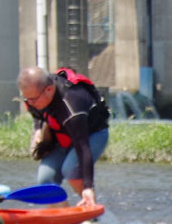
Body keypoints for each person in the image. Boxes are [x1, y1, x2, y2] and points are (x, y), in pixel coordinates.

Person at [17, 66, 109, 209]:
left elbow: (83, 147)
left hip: (92, 135)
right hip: (63, 136)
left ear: (49, 89)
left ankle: (91, 210)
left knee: (71, 170)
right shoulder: (33, 98)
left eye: (33, 99)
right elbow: (37, 114)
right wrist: (37, 131)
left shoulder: (71, 105)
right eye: (26, 99)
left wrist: (88, 187)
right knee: (45, 179)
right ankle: (62, 219)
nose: (30, 104)